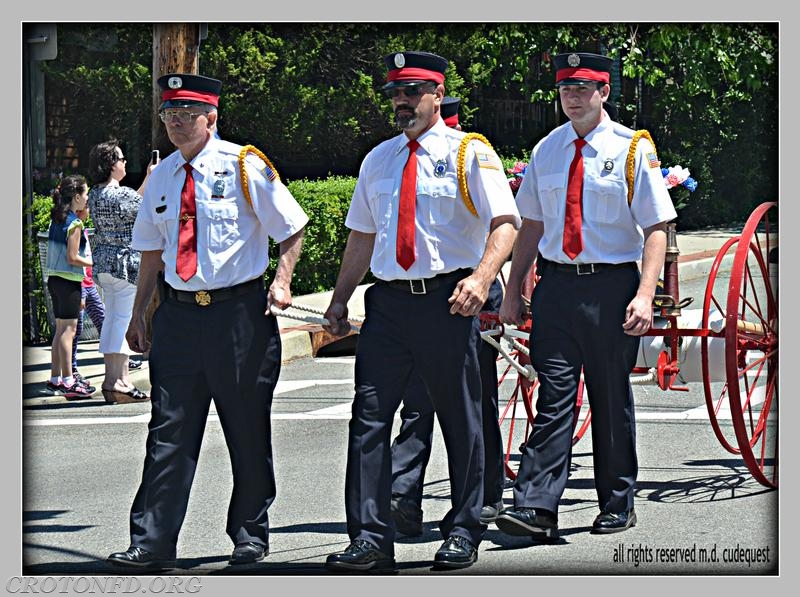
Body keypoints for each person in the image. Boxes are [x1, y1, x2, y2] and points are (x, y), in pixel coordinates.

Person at [323, 51, 519, 572]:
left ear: (437, 94)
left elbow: (505, 222)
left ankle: (463, 528)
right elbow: (362, 236)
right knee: (368, 418)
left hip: (447, 302)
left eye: (411, 92)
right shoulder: (379, 159)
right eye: (395, 94)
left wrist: (481, 279)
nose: (401, 103)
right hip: (387, 304)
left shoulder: (469, 153)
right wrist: (341, 297)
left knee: (462, 418)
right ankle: (369, 537)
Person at [106, 73, 308, 570]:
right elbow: (152, 251)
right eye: (168, 114)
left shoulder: (244, 164)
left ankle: (249, 533)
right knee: (168, 429)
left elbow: (292, 226)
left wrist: (281, 282)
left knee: (245, 427)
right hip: (178, 316)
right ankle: (152, 542)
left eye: (186, 114)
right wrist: (138, 314)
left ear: (210, 117)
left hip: (238, 315)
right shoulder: (162, 176)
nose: (175, 123)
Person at [496, 51, 677, 541]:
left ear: (604, 92)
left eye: (582, 88)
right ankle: (536, 506)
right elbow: (530, 225)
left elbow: (657, 227)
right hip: (556, 286)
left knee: (608, 393)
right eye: (565, 89)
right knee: (555, 394)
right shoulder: (547, 150)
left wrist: (645, 293)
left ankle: (617, 501)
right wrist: (515, 289)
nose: (572, 97)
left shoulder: (632, 148)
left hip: (610, 285)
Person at [389, 94, 506, 537]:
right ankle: (403, 494)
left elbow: (503, 225)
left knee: (475, 402)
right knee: (417, 401)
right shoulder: (400, 162)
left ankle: (487, 493)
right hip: (417, 297)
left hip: (471, 288)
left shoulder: (469, 156)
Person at [87, 139, 155, 404]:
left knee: (113, 318)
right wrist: (150, 177)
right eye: (121, 158)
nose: (125, 162)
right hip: (125, 264)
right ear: (111, 165)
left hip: (103, 264)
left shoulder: (94, 193)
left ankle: (114, 378)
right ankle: (118, 381)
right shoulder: (121, 194)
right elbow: (141, 206)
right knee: (123, 320)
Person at [43, 175, 95, 400]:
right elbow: (73, 257)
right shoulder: (74, 223)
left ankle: (55, 378)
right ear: (76, 196)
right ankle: (68, 380)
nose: (86, 199)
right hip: (68, 280)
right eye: (85, 194)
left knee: (60, 329)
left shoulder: (56, 219)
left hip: (54, 279)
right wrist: (93, 262)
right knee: (69, 331)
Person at [70, 211, 104, 390]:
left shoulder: (80, 226)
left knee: (103, 320)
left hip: (89, 283)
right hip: (80, 283)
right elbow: (73, 258)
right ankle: (72, 369)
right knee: (76, 328)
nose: (90, 208)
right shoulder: (73, 225)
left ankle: (115, 360)